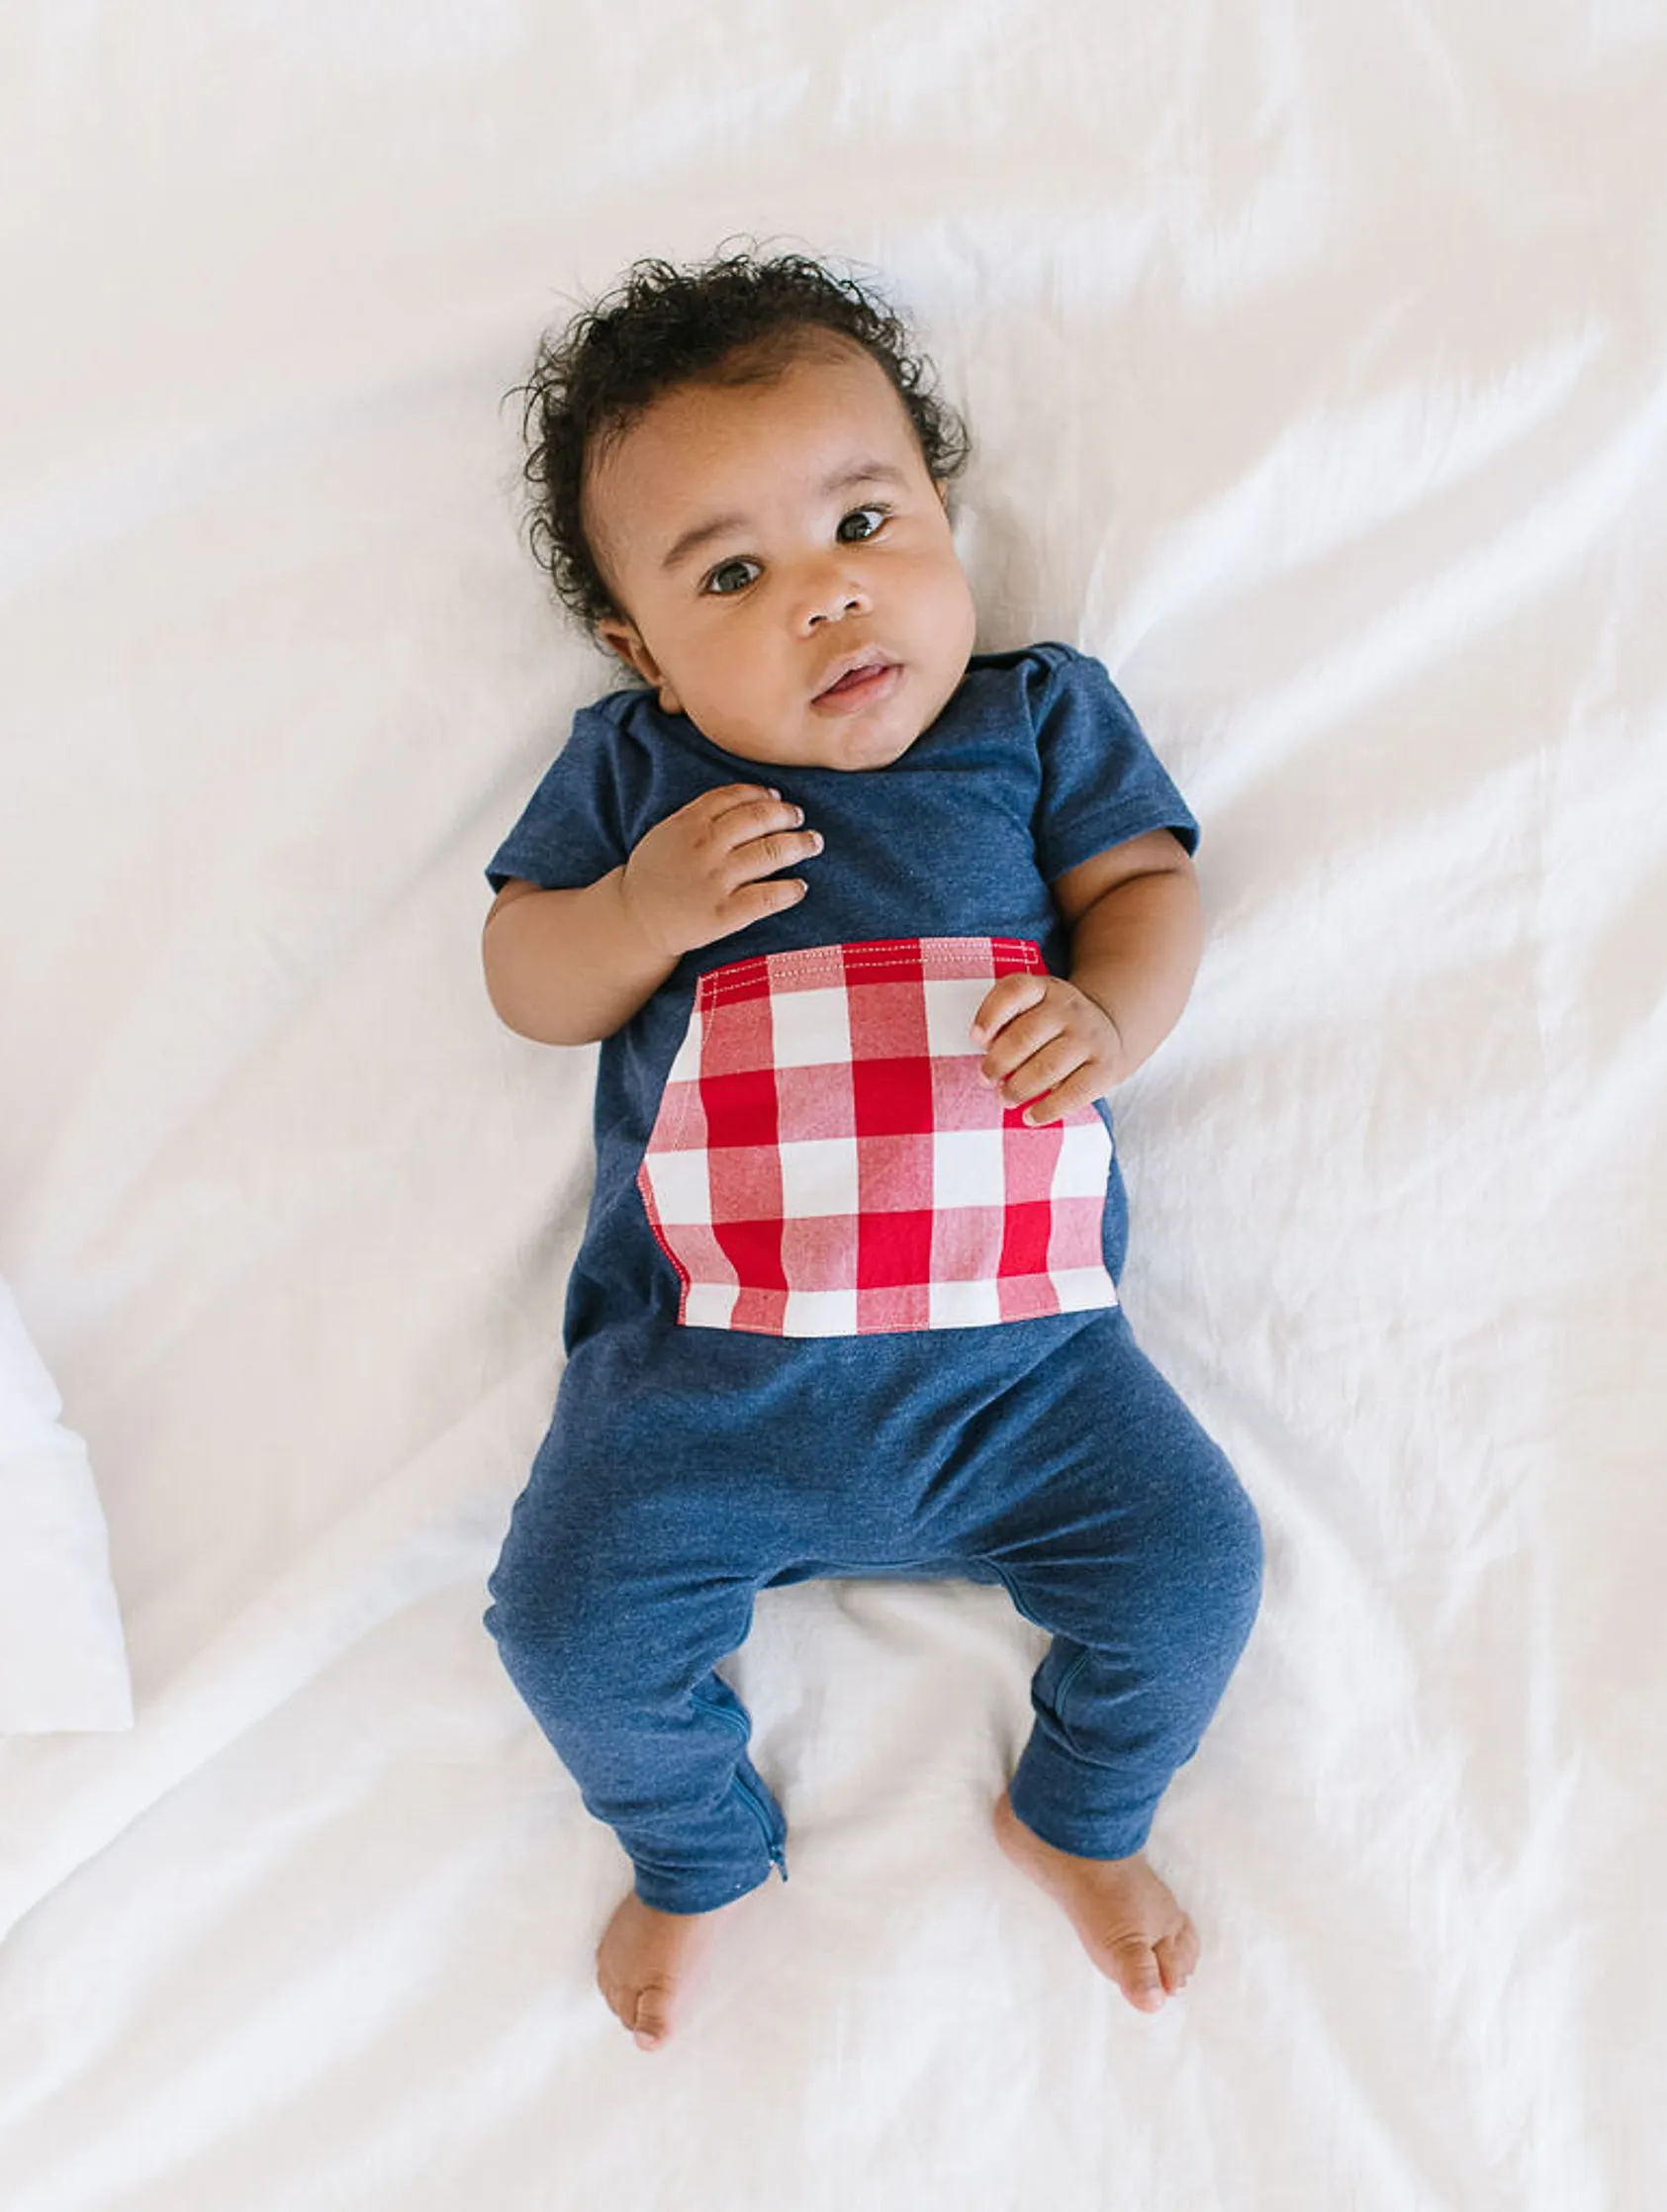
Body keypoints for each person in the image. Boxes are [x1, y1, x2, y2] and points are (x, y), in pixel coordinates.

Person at [479, 249, 1262, 2052]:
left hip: (1033, 1384)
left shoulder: (1031, 721)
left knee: (1196, 1573)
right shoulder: (639, 778)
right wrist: (636, 910)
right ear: (640, 647)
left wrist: (1116, 1019)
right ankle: (691, 1844)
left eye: (865, 520)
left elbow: (1147, 884)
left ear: (939, 513)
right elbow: (527, 977)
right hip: (700, 1397)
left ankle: (1081, 1814)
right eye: (736, 575)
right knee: (562, 1629)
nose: (830, 600)